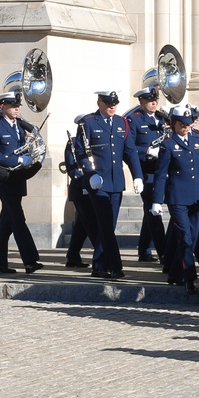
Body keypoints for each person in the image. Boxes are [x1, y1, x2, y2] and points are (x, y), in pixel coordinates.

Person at [74, 91, 144, 280]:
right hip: (98, 183)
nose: (112, 106)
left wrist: (138, 176)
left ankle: (98, 265)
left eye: (115, 103)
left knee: (109, 226)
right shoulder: (88, 122)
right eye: (108, 103)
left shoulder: (122, 123)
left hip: (116, 182)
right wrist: (90, 174)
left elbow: (130, 152)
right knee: (105, 224)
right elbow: (81, 153)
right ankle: (115, 267)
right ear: (99, 102)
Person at [151, 104, 199, 294]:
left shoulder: (196, 139)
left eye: (188, 124)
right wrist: (156, 200)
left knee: (192, 237)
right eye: (182, 124)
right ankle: (189, 278)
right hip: (177, 197)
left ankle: (176, 272)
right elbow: (160, 174)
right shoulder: (168, 145)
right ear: (174, 124)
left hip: (195, 196)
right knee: (184, 237)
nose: (186, 127)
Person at [0, 89, 43, 274]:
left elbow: (23, 149)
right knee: (18, 219)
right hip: (4, 180)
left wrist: (29, 156)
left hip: (17, 179)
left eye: (18, 106)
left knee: (6, 223)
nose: (16, 109)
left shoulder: (19, 127)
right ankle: (30, 261)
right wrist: (17, 160)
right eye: (12, 106)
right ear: (2, 106)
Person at [126, 85, 168, 263]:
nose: (154, 103)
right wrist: (147, 152)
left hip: (162, 171)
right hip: (146, 173)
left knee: (149, 211)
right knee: (153, 211)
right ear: (141, 102)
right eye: (150, 101)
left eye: (155, 100)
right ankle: (164, 252)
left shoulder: (163, 119)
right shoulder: (134, 121)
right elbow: (130, 149)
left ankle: (144, 249)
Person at [62, 113, 97, 269]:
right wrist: (84, 182)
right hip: (80, 190)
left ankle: (72, 256)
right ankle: (103, 254)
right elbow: (72, 168)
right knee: (91, 223)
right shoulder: (73, 143)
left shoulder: (94, 141)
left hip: (94, 187)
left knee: (82, 226)